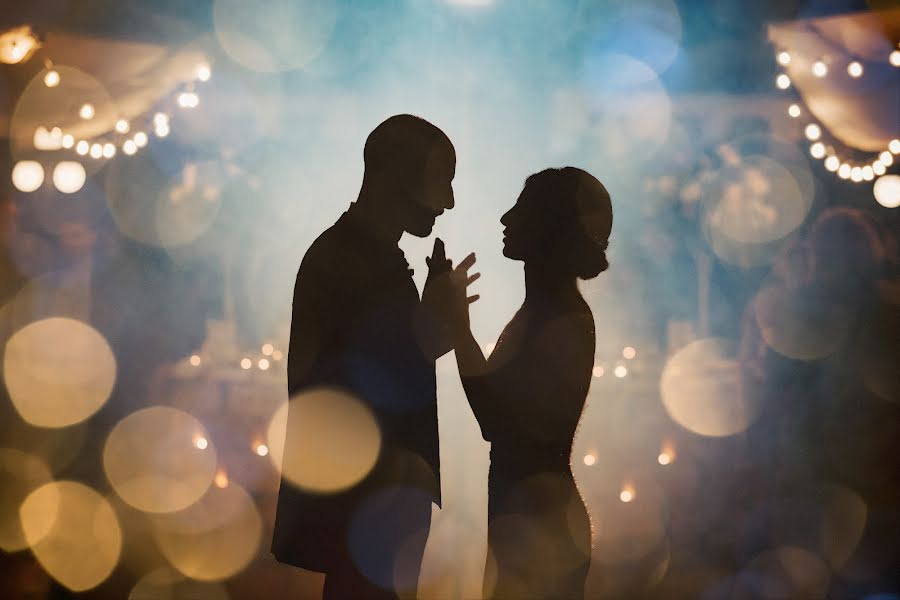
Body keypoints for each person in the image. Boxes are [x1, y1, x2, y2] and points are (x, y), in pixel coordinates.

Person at [271, 114, 477, 599]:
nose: (448, 202)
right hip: (367, 499)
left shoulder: (364, 255)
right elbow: (358, 386)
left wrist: (433, 323)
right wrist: (429, 325)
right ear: (396, 176)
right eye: (440, 182)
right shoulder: (347, 261)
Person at [451, 167, 613, 599]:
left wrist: (458, 329)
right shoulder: (545, 312)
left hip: (540, 523)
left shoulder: (562, 320)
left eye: (521, 210)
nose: (505, 219)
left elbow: (496, 420)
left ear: (550, 227)